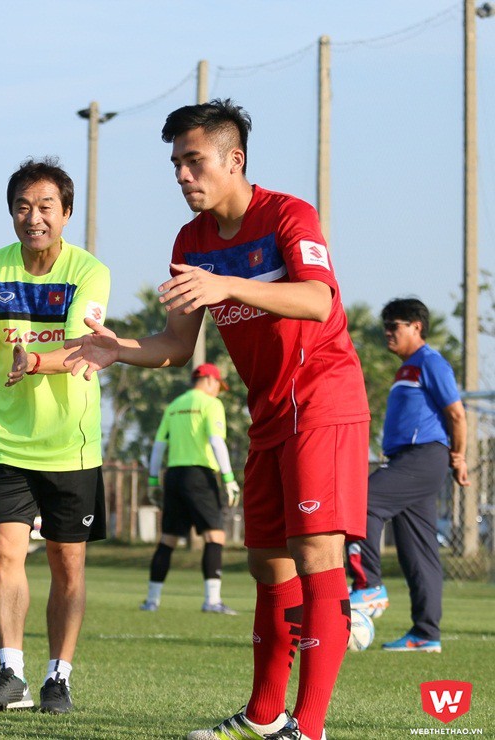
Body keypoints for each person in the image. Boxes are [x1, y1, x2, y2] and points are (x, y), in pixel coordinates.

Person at [64, 99, 369, 740]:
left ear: (235, 160)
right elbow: (176, 345)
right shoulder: (190, 241)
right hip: (266, 415)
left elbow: (317, 299)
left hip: (323, 403)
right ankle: (263, 715)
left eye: (193, 161)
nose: (182, 175)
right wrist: (116, 350)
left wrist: (226, 285)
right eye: (176, 163)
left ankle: (306, 729)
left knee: (315, 554)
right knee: (266, 565)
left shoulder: (288, 214)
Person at [0, 157, 110, 716]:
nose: (34, 217)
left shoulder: (89, 271)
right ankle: (11, 672)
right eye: (23, 206)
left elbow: (82, 349)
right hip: (5, 442)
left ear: (66, 213)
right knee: (5, 553)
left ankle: (58, 677)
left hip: (71, 446)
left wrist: (33, 358)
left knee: (68, 565)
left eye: (46, 206)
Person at [347, 298, 469, 653]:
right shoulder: (406, 368)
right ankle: (425, 633)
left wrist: (458, 457)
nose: (387, 332)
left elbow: (457, 415)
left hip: (423, 457)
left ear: (417, 326)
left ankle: (368, 585)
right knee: (419, 552)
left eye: (394, 325)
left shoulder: (430, 362)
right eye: (385, 325)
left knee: (361, 502)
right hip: (410, 459)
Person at [140, 363, 240, 616]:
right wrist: (229, 478)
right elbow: (216, 441)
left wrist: (153, 480)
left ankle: (152, 601)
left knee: (168, 540)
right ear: (208, 380)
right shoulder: (210, 404)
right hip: (199, 475)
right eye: (218, 385)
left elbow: (158, 447)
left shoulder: (174, 406)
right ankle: (212, 601)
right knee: (215, 536)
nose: (218, 391)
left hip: (173, 476)